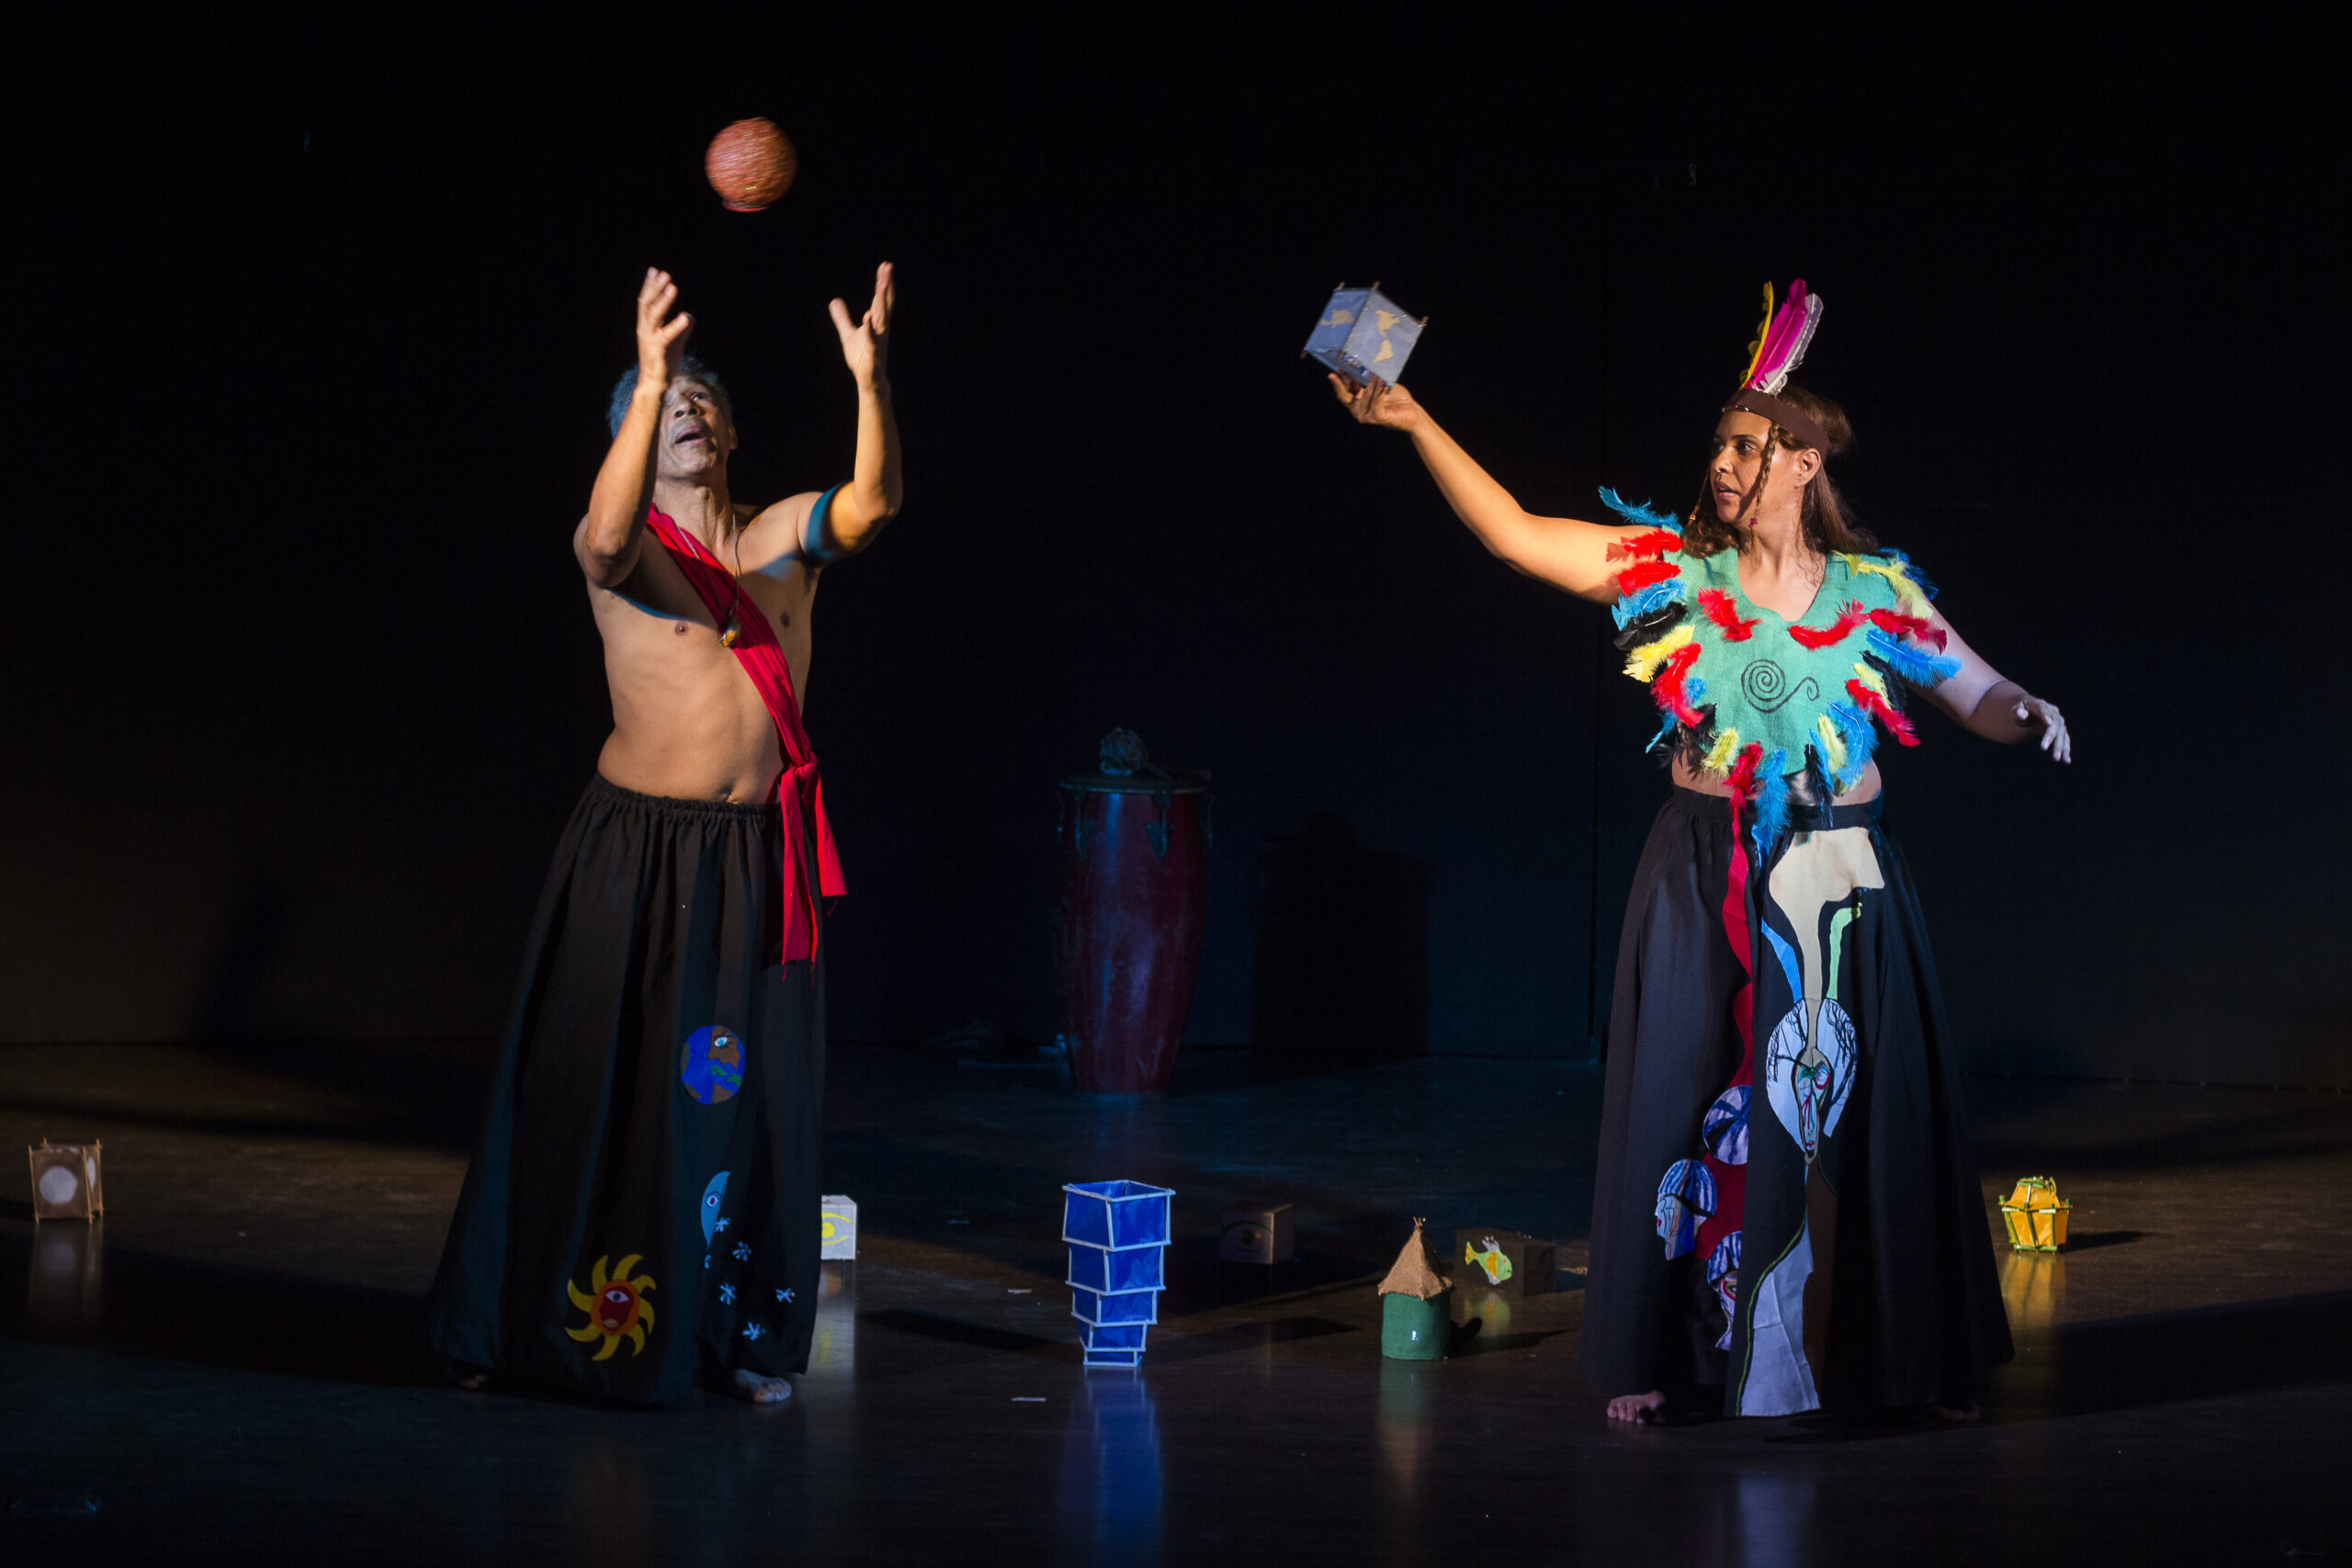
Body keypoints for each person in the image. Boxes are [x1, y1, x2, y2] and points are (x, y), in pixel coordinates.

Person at [1329, 279, 2066, 1423]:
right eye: (1718, 445)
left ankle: (1902, 1360)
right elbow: (1518, 536)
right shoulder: (1674, 568)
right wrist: (1414, 419)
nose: (1721, 464)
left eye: (1745, 448)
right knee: (1688, 1094)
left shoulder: (1873, 592)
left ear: (1803, 464)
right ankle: (1669, 1357)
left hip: (1839, 879)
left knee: (1858, 1111)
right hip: (1702, 867)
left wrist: (2028, 711)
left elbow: (1973, 690)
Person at [427, 263, 902, 1404]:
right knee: (591, 1087)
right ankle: (512, 1329)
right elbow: (599, 539)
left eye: (701, 397)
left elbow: (871, 506)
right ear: (637, 439)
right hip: (632, 857)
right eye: (665, 402)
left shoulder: (779, 540)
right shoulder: (629, 551)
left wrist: (870, 382)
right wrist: (644, 380)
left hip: (753, 863)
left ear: (731, 431)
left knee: (744, 1109)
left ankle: (731, 1340)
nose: (688, 407)